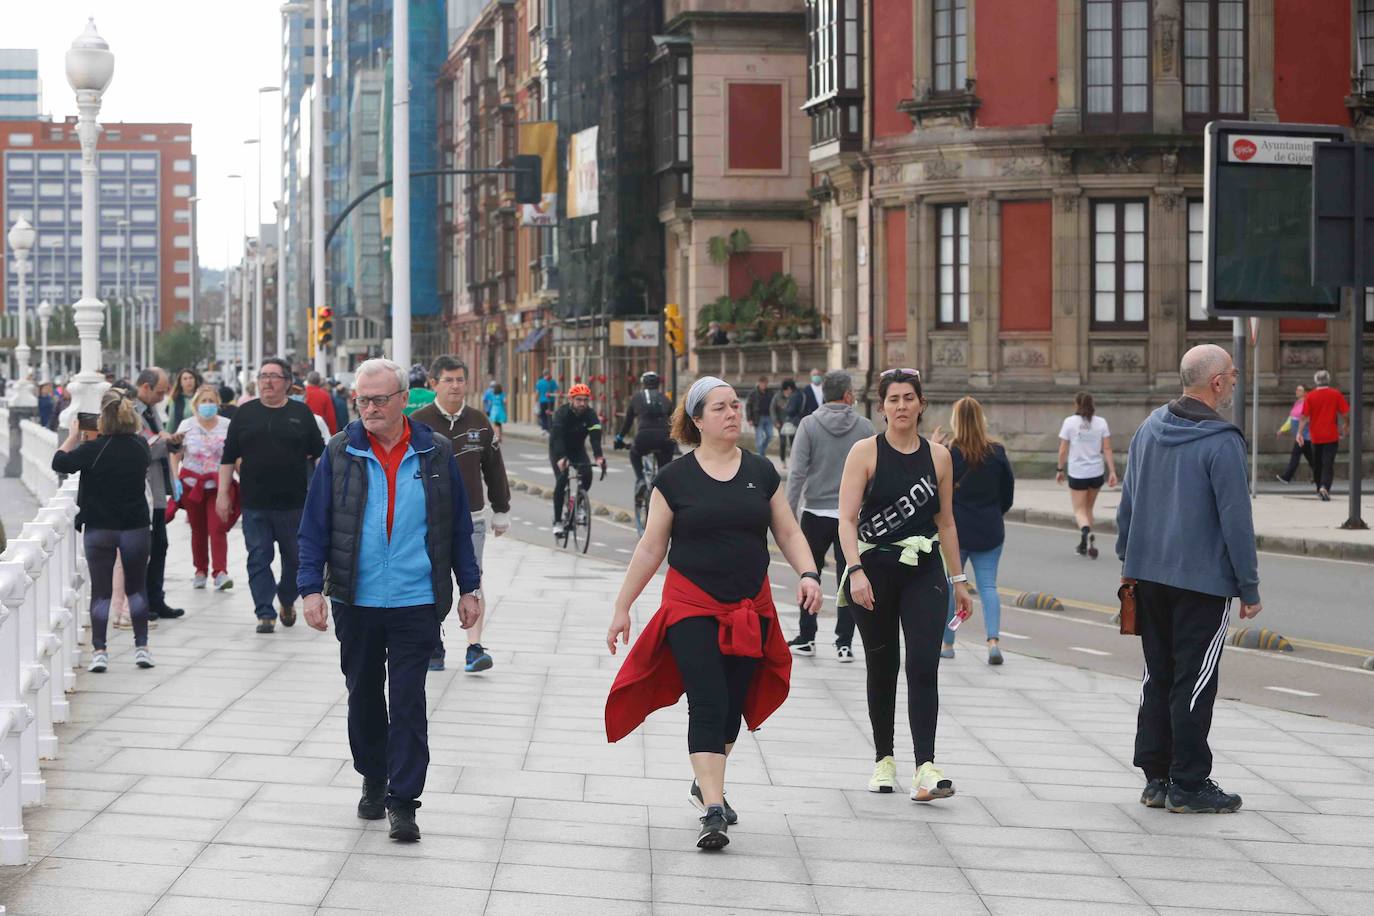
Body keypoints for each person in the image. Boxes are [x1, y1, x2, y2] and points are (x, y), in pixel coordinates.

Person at [605, 377, 823, 851]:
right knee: (706, 699)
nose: (733, 413)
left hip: (750, 607)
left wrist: (808, 573)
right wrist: (623, 606)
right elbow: (651, 548)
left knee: (731, 704)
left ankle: (706, 784)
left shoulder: (761, 472)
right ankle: (713, 809)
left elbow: (786, 532)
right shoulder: (675, 479)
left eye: (735, 405)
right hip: (692, 605)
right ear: (697, 420)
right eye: (720, 408)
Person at [297, 358, 483, 843]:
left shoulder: (435, 452)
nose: (370, 409)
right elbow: (315, 525)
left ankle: (404, 800)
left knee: (407, 699)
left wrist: (470, 587)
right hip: (355, 599)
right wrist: (310, 588)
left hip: (415, 598)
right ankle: (373, 776)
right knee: (362, 693)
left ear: (404, 399)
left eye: (380, 399)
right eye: (363, 400)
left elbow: (456, 525)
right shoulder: (339, 451)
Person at [1116, 344, 1261, 815]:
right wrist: (1249, 586)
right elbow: (1236, 520)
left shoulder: (1149, 428)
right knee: (1195, 679)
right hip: (1203, 581)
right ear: (1216, 382)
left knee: (1157, 673)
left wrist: (1128, 560)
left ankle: (1156, 778)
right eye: (1233, 375)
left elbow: (1128, 504)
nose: (1235, 381)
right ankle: (1189, 782)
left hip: (1149, 575)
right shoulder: (1223, 440)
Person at [837, 369, 973, 802]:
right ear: (881, 408)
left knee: (923, 665)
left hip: (924, 570)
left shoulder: (939, 457)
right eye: (893, 399)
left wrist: (959, 580)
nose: (901, 406)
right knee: (883, 666)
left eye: (908, 398)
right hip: (873, 572)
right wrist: (854, 570)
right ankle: (884, 759)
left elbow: (946, 521)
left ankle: (926, 768)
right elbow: (846, 520)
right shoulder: (864, 453)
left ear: (921, 404)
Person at [411, 355, 511, 674]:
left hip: (472, 516)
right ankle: (433, 643)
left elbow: (494, 469)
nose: (455, 386)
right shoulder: (417, 422)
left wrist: (502, 510)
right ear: (433, 384)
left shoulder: (479, 421)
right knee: (429, 577)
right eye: (448, 380)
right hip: (428, 516)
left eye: (460, 380)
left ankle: (474, 647)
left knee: (473, 578)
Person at [217, 357, 326, 633]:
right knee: (258, 557)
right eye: (263, 375)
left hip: (294, 504)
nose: (267, 381)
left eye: (274, 376)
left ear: (288, 383)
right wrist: (222, 494)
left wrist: (326, 494)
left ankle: (287, 599)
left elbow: (320, 456)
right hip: (254, 503)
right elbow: (228, 457)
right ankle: (264, 611)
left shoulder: (302, 415)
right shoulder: (244, 413)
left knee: (295, 559)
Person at [51, 391, 156, 672]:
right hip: (135, 526)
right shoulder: (141, 446)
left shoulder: (92, 450)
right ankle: (142, 648)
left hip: (100, 528)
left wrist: (74, 436)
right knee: (136, 590)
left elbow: (59, 463)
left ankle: (100, 651)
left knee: (101, 592)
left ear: (103, 423)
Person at [784, 370, 874, 662]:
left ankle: (807, 637)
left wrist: (787, 515)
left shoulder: (809, 425)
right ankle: (844, 643)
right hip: (851, 516)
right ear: (847, 396)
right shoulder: (865, 427)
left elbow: (797, 473)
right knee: (849, 578)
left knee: (811, 574)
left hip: (814, 513)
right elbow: (876, 474)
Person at [938, 397, 1015, 664]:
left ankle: (948, 642)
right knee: (988, 586)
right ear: (981, 419)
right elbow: (1008, 495)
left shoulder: (950, 454)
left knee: (951, 586)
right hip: (990, 529)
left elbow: (936, 492)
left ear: (956, 421)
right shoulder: (998, 452)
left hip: (957, 531)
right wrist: (994, 512)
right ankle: (993, 641)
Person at [133, 367, 185, 621]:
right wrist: (166, 440)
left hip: (158, 489)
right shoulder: (131, 412)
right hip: (144, 491)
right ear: (145, 387)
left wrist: (172, 441)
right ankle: (143, 601)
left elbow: (156, 442)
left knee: (160, 546)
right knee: (147, 548)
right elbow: (141, 448)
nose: (162, 397)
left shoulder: (151, 410)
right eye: (159, 392)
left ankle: (156, 599)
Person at [172, 385, 234, 592]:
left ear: (218, 404)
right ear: (196, 404)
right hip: (192, 485)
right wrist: (175, 479)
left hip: (219, 485)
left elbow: (236, 455)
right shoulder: (186, 425)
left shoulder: (227, 425)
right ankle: (200, 570)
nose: (208, 405)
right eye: (203, 401)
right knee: (198, 530)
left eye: (211, 401)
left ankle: (220, 572)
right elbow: (176, 454)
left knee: (218, 527)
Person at [1056, 392, 1118, 558]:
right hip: (1096, 472)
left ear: (1076, 404)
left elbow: (1063, 450)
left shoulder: (1069, 422)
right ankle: (1085, 543)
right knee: (1089, 508)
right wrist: (1112, 471)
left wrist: (1060, 469)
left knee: (1079, 510)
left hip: (1077, 472)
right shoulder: (1101, 423)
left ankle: (1085, 531)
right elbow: (1107, 449)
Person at [549, 382, 607, 535]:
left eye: (585, 400)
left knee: (587, 473)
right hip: (559, 450)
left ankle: (579, 502)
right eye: (579, 400)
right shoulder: (561, 413)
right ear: (571, 400)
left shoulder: (590, 414)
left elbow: (595, 438)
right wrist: (561, 458)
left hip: (577, 449)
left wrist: (599, 456)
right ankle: (557, 521)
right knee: (562, 480)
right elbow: (557, 438)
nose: (582, 403)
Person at [614, 371, 675, 492]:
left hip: (643, 437)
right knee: (664, 463)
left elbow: (628, 422)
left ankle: (641, 479)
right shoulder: (666, 399)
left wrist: (619, 438)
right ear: (658, 384)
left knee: (634, 453)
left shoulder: (636, 397)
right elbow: (674, 422)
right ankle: (662, 485)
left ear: (643, 384)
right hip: (663, 437)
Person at [1298, 369, 1350, 502]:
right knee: (1328, 463)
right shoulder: (1336, 394)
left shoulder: (1310, 396)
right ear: (1328, 380)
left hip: (1315, 436)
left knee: (1317, 464)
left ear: (1316, 381)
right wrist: (1346, 425)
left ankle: (1319, 488)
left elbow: (1304, 417)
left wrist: (1299, 433)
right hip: (1331, 435)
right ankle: (1324, 487)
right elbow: (1345, 413)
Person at [1275, 383, 1314, 486]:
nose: (1297, 391)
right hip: (1302, 436)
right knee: (1312, 459)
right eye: (1297, 390)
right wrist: (1282, 429)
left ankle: (1286, 477)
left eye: (1299, 390)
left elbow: (1307, 418)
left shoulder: (1307, 403)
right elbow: (1291, 419)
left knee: (1295, 457)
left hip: (1304, 436)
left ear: (1305, 393)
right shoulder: (1297, 403)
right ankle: (1318, 475)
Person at [771, 379, 802, 467]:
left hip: (792, 423)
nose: (788, 392)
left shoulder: (795, 396)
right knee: (783, 442)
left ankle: (794, 460)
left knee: (794, 443)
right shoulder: (777, 396)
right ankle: (782, 460)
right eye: (786, 390)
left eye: (790, 390)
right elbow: (772, 409)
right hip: (781, 423)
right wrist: (776, 421)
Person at [745, 377, 774, 458]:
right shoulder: (753, 393)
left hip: (768, 417)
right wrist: (749, 418)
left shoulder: (770, 392)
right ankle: (761, 455)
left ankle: (762, 451)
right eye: (762, 383)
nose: (764, 385)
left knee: (770, 435)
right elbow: (748, 406)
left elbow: (774, 404)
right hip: (758, 418)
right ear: (759, 383)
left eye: (765, 383)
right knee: (759, 438)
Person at [167, 368, 202, 432]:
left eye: (191, 378)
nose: (189, 381)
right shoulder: (175, 399)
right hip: (181, 435)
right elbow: (171, 421)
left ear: (195, 380)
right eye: (185, 379)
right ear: (180, 383)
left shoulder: (202, 397)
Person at [305, 370, 339, 435]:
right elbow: (330, 417)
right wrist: (333, 433)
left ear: (308, 380)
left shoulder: (301, 394)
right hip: (320, 431)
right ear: (319, 381)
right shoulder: (325, 395)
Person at [535, 369, 559, 433]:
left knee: (543, 414)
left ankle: (544, 428)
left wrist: (536, 401)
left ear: (543, 374)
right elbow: (556, 390)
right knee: (550, 414)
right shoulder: (552, 381)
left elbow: (537, 393)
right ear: (549, 374)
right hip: (551, 401)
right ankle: (550, 427)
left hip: (542, 401)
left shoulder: (539, 382)